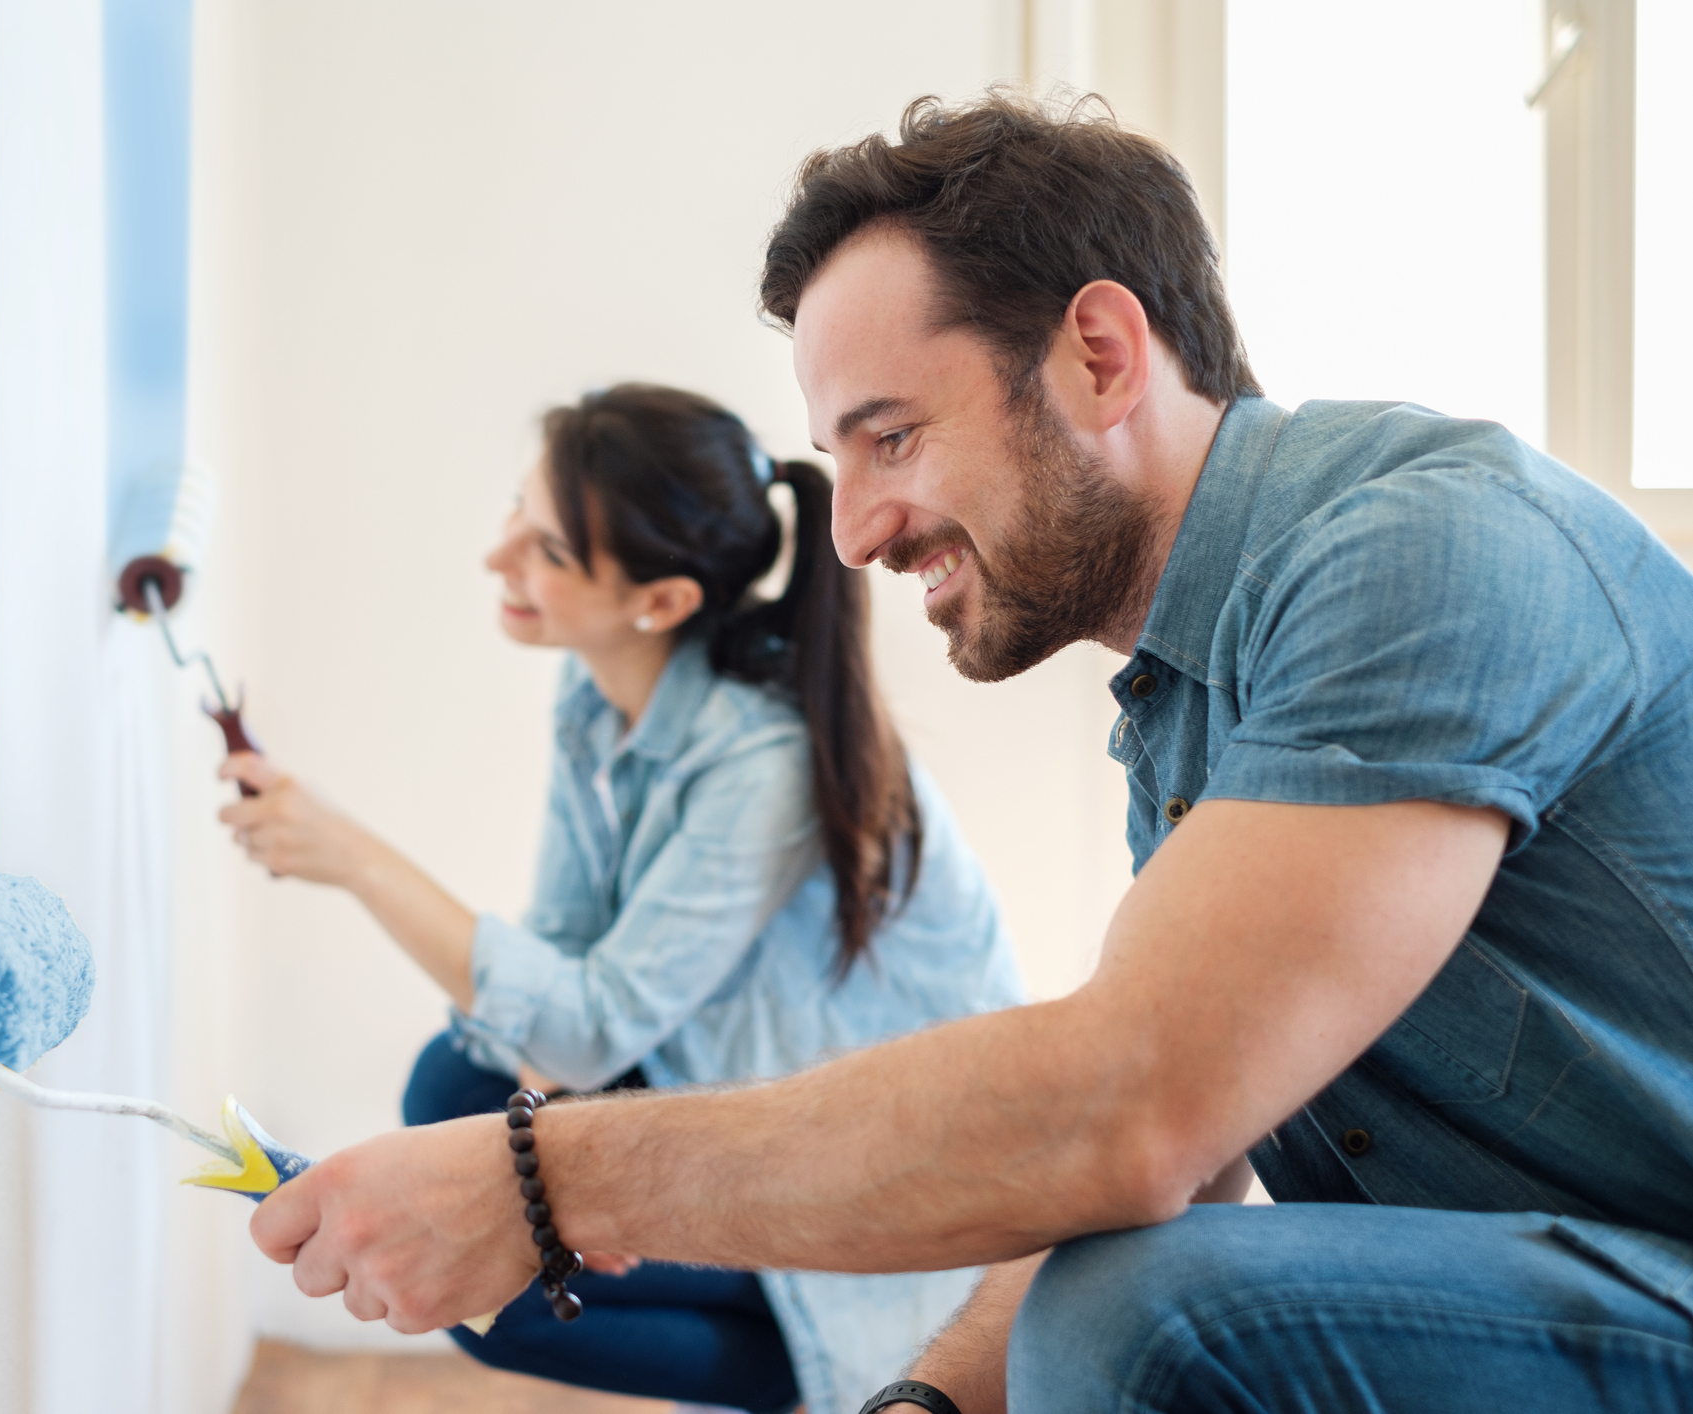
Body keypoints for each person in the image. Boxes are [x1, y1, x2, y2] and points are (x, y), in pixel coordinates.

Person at [241, 90, 1693, 1414]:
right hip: (1555, 1280)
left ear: (1100, 356)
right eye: (836, 466)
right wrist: (921, 1403)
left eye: (892, 439)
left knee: (1149, 1318)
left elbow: (1131, 1111)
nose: (858, 531)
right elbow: (1180, 1150)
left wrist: (542, 1180)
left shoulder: (1426, 552)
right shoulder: (1183, 709)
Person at [217, 382, 1025, 1414]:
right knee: (454, 1094)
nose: (499, 555)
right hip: (732, 1082)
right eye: (522, 509)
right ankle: (742, 1310)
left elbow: (588, 1030)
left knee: (489, 1265)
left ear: (662, 603)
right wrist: (561, 1170)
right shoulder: (597, 694)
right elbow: (562, 959)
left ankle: (843, 1351)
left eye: (548, 549)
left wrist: (355, 859)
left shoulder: (763, 762)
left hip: (881, 1176)